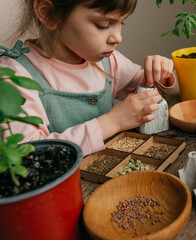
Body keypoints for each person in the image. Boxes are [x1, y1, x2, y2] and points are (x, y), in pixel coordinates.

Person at [0, 0, 176, 156]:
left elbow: (148, 93)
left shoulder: (108, 60)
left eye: (122, 23)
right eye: (103, 25)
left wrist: (158, 74)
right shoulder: (15, 75)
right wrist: (112, 122)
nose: (118, 37)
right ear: (49, 13)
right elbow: (26, 154)